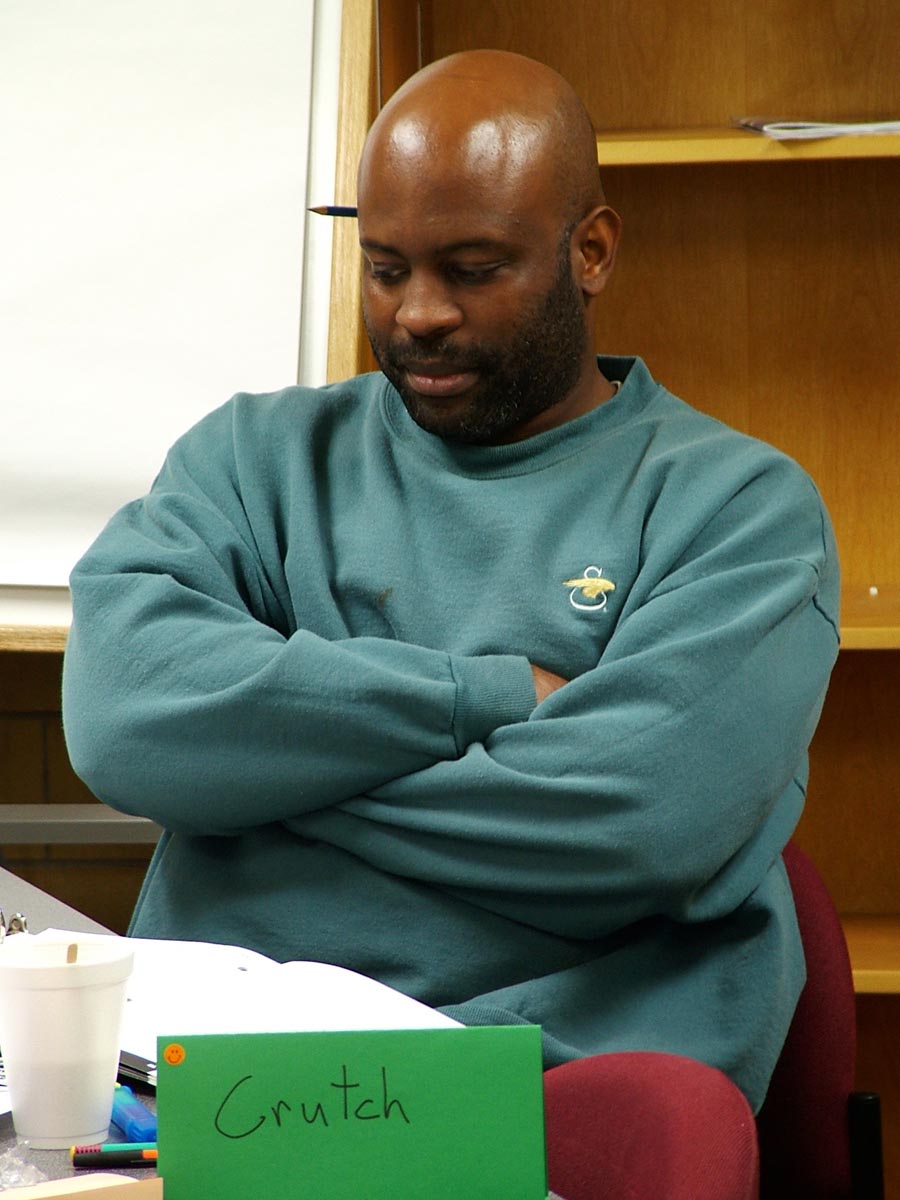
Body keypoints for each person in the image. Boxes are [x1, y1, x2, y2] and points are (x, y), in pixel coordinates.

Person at [62, 49, 839, 1197]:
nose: (418, 314)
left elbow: (632, 823)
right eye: (385, 269)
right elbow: (123, 717)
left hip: (547, 1093)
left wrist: (260, 771)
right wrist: (485, 698)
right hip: (224, 1090)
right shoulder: (255, 459)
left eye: (474, 271)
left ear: (591, 252)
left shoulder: (740, 510)